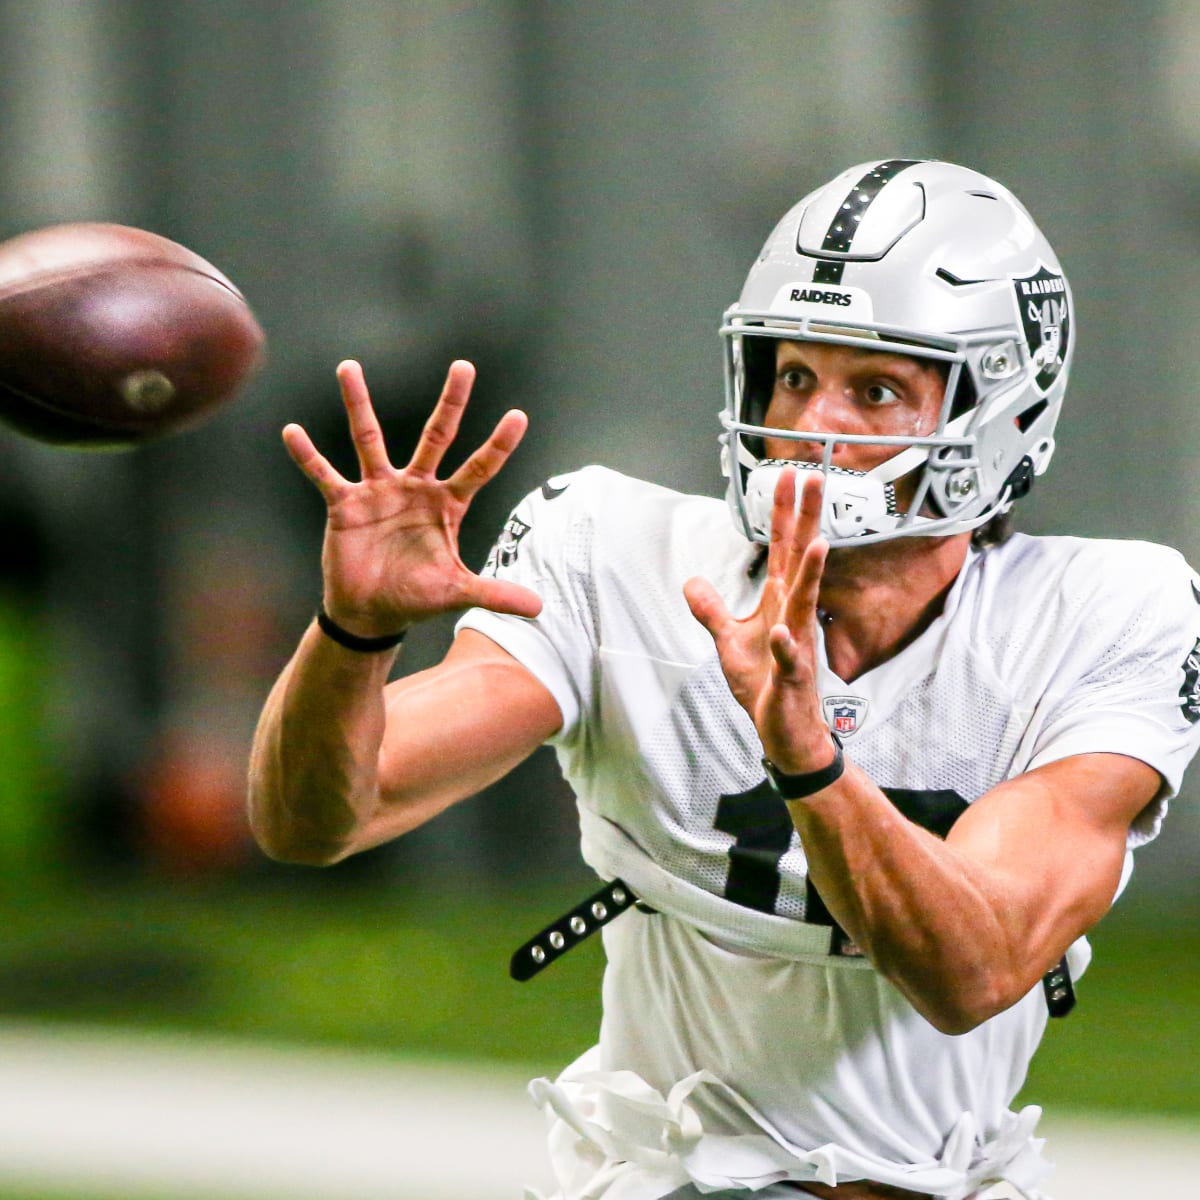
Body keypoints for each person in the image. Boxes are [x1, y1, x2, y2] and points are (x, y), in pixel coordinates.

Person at [248, 159, 1200, 1200]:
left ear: (998, 412)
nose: (812, 427)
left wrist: (808, 759)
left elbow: (970, 968)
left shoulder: (1108, 615)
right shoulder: (618, 552)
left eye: (874, 388)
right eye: (793, 375)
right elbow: (318, 817)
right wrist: (350, 635)